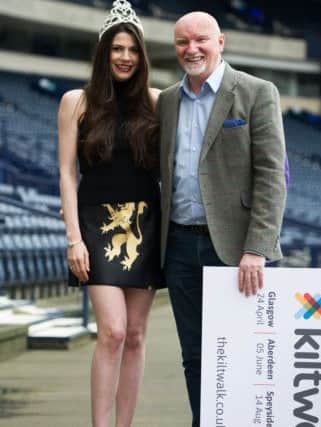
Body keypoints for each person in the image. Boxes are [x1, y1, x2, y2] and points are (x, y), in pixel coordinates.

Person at [157, 11, 287, 427]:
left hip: (237, 250)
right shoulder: (168, 101)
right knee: (194, 354)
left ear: (221, 42)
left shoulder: (256, 92)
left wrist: (256, 249)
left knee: (247, 352)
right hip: (178, 246)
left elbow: (272, 175)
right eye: (182, 42)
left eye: (201, 40)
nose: (191, 49)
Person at [58, 1, 163, 425]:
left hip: (145, 224)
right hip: (96, 227)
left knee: (136, 336)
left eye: (133, 50)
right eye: (117, 48)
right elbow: (66, 173)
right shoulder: (75, 102)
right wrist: (73, 239)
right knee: (113, 331)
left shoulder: (158, 103)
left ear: (142, 56)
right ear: (104, 52)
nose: (125, 57)